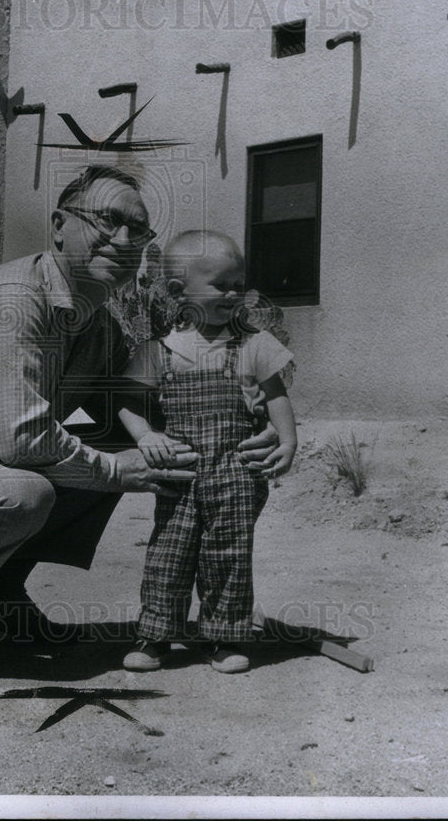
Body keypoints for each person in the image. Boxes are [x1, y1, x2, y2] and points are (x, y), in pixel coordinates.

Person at [0, 166, 280, 678]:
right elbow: (19, 439)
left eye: (139, 230)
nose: (123, 240)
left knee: (115, 436)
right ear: (59, 225)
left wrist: (251, 424)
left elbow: (144, 406)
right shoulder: (13, 303)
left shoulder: (97, 322)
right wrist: (114, 471)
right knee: (26, 490)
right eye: (107, 220)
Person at [118, 230, 297, 674]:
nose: (235, 294)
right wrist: (145, 436)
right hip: (179, 471)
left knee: (228, 554)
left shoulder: (254, 343)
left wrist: (288, 440)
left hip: (236, 470)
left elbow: (276, 396)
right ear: (180, 292)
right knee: (168, 554)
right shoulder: (158, 351)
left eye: (240, 284)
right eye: (222, 285)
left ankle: (222, 636)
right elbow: (127, 402)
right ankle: (156, 636)